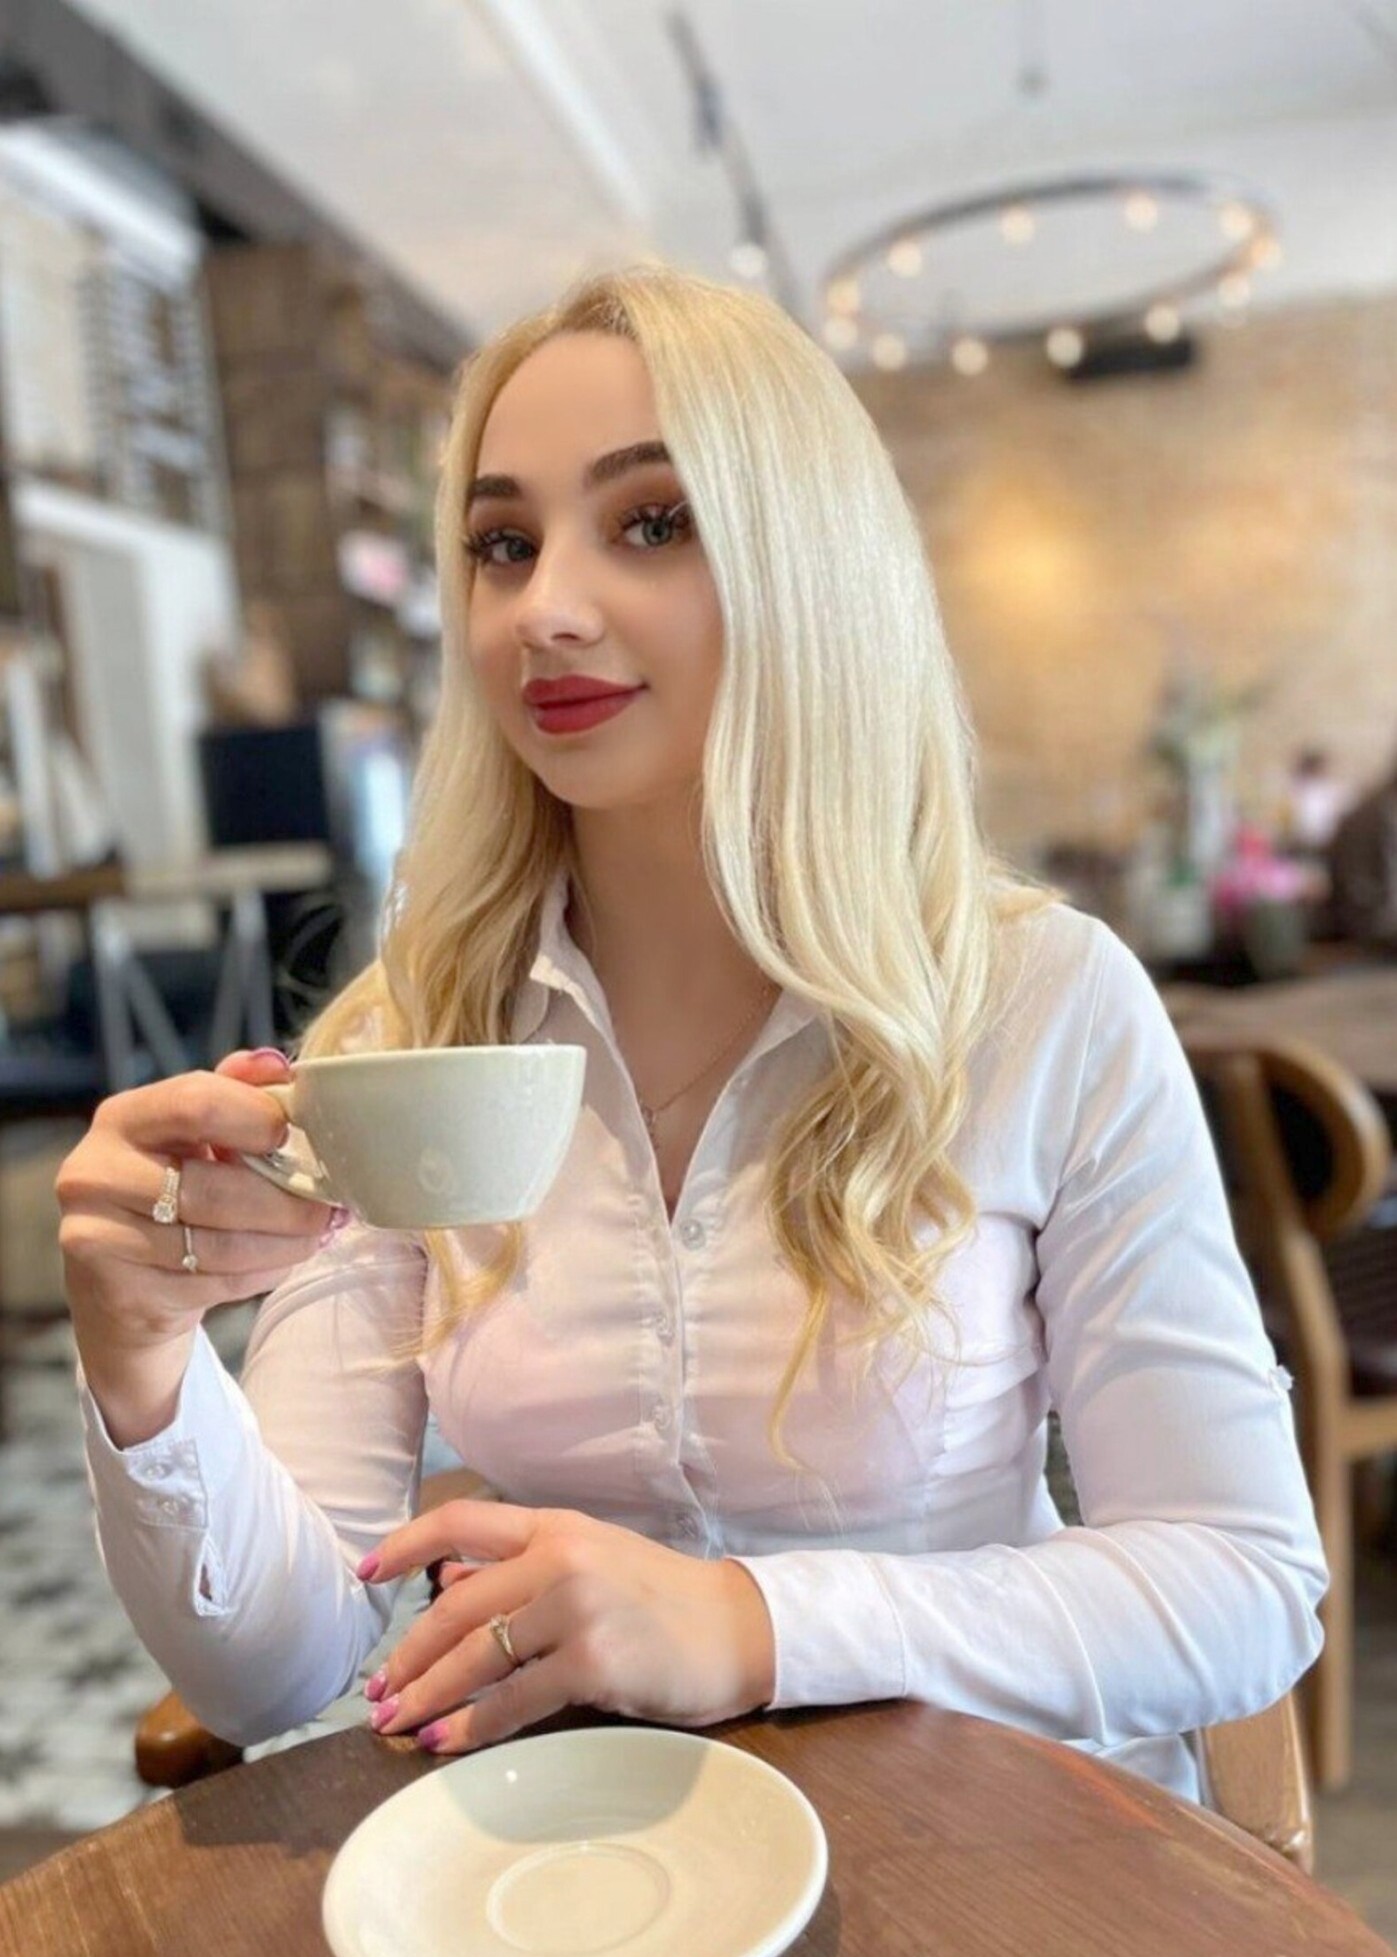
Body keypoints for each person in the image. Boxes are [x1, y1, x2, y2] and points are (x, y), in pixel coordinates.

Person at [58, 267, 1325, 1800]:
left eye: (652, 522)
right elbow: (273, 1670)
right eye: (503, 545)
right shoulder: (406, 1039)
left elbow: (1241, 1581)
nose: (546, 609)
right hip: (582, 1861)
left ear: (811, 568)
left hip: (992, 1847)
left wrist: (751, 1626)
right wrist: (146, 1365)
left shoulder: (1043, 1001)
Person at [1325, 743, 1397, 949]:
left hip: (1369, 923)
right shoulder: (1383, 814)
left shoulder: (1377, 804)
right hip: (1374, 930)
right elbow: (1385, 904)